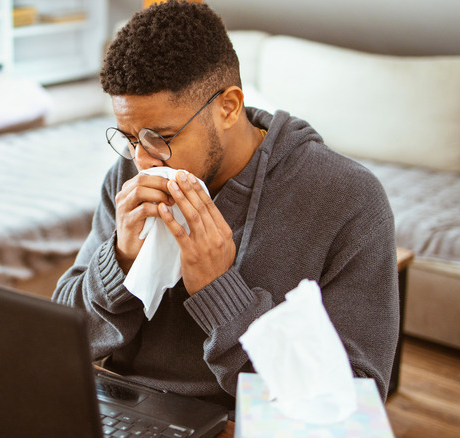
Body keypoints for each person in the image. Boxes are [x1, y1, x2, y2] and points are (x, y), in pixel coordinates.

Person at [52, 0, 398, 414]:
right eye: (129, 137)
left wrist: (219, 290)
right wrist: (120, 262)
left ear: (229, 107)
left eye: (160, 136)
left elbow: (352, 403)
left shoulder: (349, 200)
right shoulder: (128, 176)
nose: (142, 160)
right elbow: (63, 339)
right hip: (123, 411)